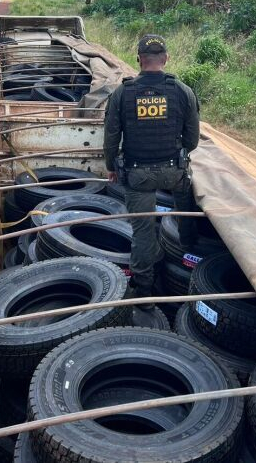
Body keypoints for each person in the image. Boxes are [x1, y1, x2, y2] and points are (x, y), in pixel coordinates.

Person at [103, 34, 201, 307]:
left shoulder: (123, 93)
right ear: (166, 58)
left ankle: (144, 293)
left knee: (143, 234)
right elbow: (192, 139)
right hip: (175, 171)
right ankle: (189, 257)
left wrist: (111, 166)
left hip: (137, 175)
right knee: (186, 214)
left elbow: (111, 137)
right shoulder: (182, 91)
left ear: (139, 60)